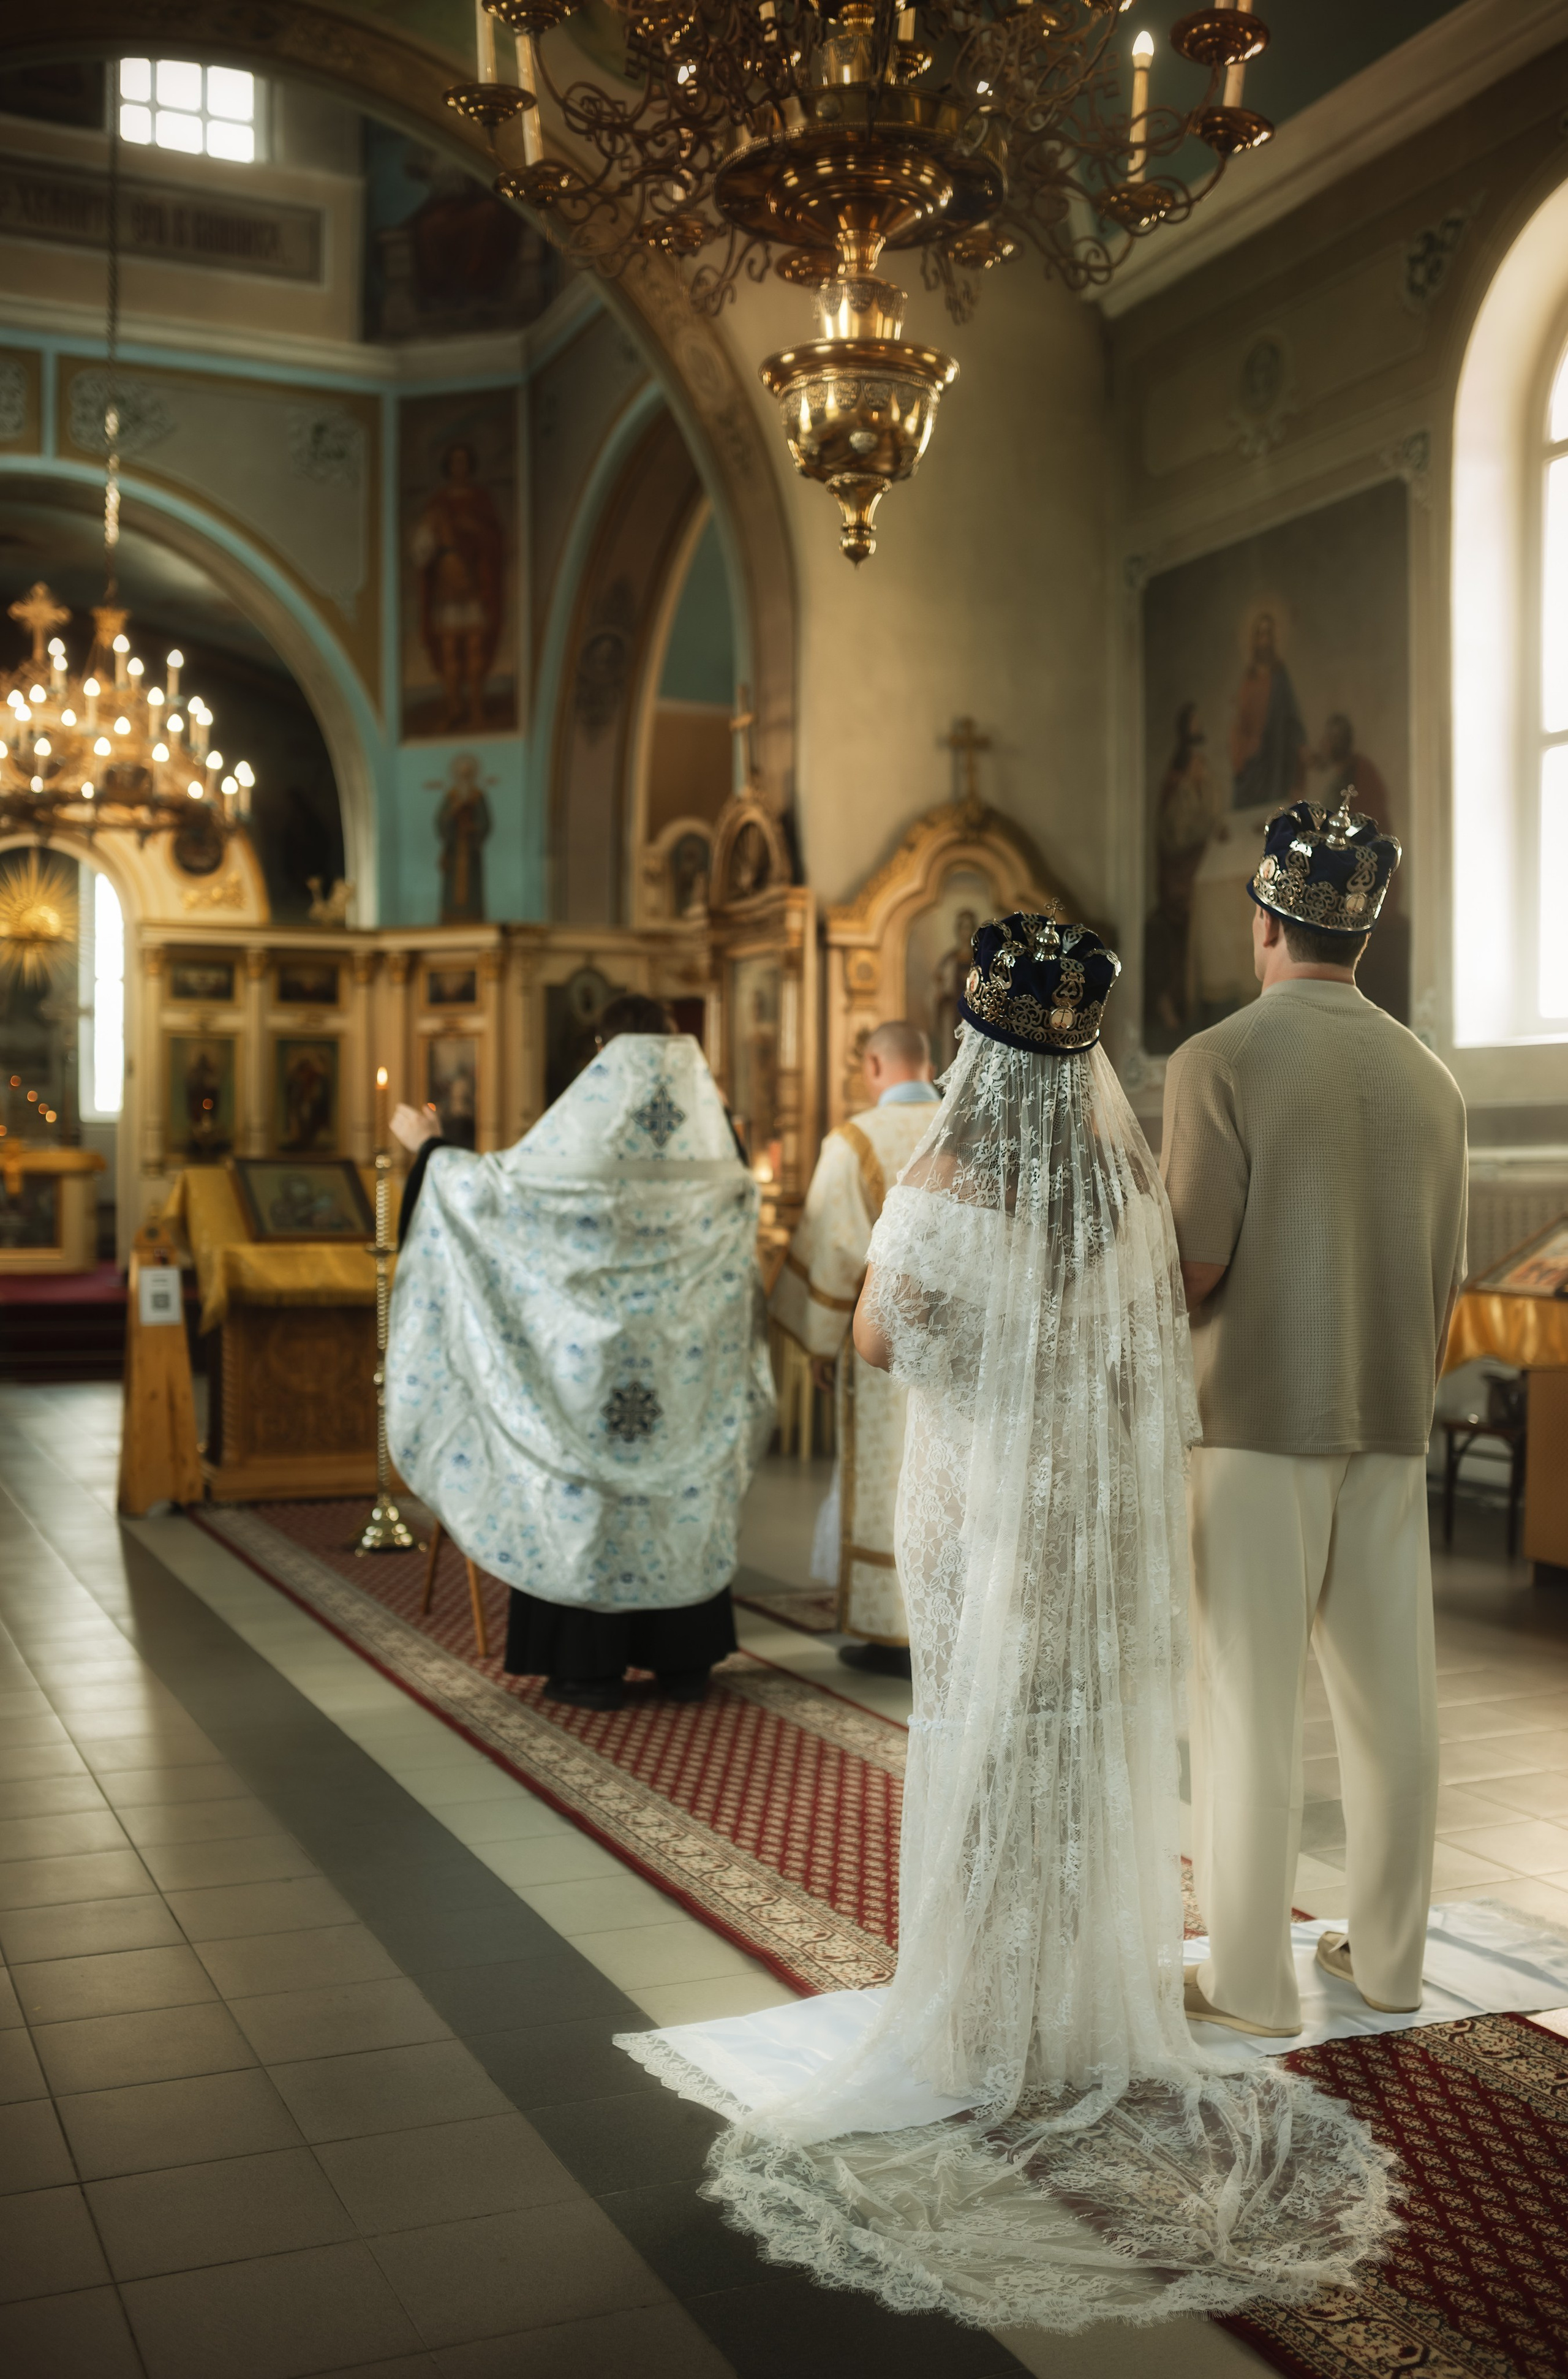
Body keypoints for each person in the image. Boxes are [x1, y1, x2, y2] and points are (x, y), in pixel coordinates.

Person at [617, 913, 1394, 2331]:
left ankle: (976, 2019)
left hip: (980, 1511)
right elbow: (1135, 1349)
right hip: (1085, 1514)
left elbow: (875, 1339)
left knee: (978, 1736)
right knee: (1068, 1740)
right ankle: (1071, 2015)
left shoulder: (945, 1174)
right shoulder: (1117, 1183)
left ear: (975, 1047)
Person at [1162, 791, 1468, 2037]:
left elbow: (1192, 1265)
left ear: (1260, 921)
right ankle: (1387, 1963)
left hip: (1249, 1425)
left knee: (1245, 1701)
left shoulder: (1216, 1059)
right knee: (1395, 1705)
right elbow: (1440, 1274)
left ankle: (1243, 1981)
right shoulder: (1430, 1078)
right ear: (1362, 937)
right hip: (1389, 1418)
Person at [387, 992, 775, 1710]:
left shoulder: (588, 1123)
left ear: (600, 1045)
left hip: (586, 1367)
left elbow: (499, 1197)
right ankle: (682, 1656)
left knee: (594, 1490)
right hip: (684, 1359)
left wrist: (430, 1149)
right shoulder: (713, 1131)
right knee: (674, 1481)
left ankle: (587, 1665)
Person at [769, 1020, 941, 1675]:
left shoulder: (855, 1140)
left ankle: (887, 1626)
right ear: (925, 1061)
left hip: (883, 1339)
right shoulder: (966, 1122)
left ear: (873, 1064)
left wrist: (819, 1340)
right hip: (962, 1338)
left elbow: (835, 1247)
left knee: (889, 1473)